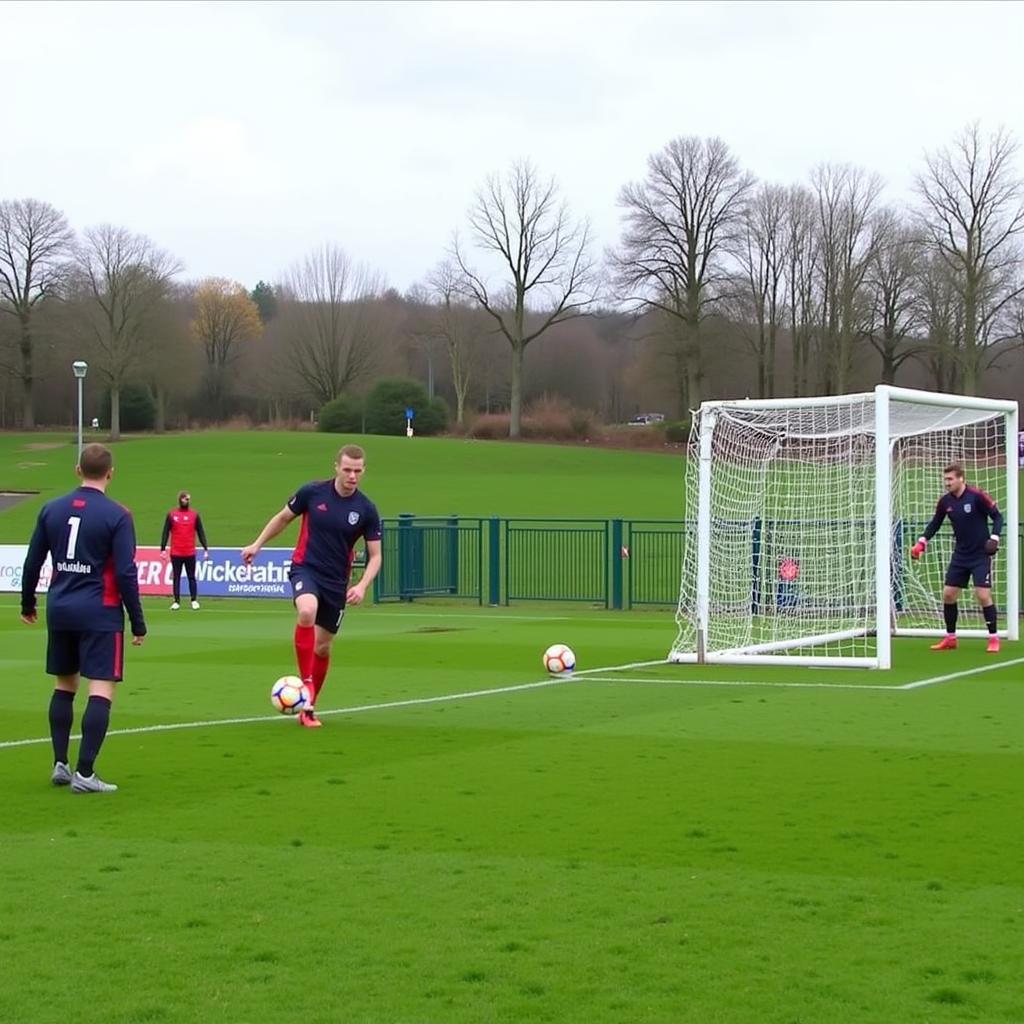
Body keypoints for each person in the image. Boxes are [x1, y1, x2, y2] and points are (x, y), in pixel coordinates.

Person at [20, 443, 147, 793]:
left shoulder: (51, 509)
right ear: (111, 473)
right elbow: (125, 572)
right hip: (100, 611)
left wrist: (27, 603)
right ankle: (86, 774)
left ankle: (60, 763)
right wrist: (137, 621)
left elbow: (33, 563)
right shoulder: (118, 515)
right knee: (101, 688)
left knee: (64, 685)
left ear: (78, 470)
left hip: (60, 608)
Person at [241, 444, 382, 728]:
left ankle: (309, 707)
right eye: (347, 469)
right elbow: (282, 518)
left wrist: (363, 585)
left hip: (336, 582)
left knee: (323, 648)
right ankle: (305, 683)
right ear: (336, 468)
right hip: (306, 568)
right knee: (306, 611)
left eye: (357, 470)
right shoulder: (312, 492)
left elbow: (377, 555)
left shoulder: (366, 509)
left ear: (363, 470)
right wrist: (257, 544)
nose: (352, 475)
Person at [910, 462, 1003, 654]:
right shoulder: (945, 502)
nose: (947, 483)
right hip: (961, 555)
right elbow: (935, 523)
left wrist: (994, 538)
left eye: (950, 479)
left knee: (983, 595)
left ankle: (993, 638)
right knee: (948, 594)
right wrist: (922, 542)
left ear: (961, 478)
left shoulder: (977, 496)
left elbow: (997, 517)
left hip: (980, 555)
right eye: (945, 479)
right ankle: (950, 638)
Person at [160, 490, 210, 610]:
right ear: (180, 499)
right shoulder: (172, 515)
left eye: (188, 499)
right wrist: (162, 549)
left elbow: (200, 532)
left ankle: (194, 600)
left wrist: (205, 548)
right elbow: (165, 532)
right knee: (176, 577)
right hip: (176, 552)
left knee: (191, 576)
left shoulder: (194, 515)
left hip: (190, 552)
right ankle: (176, 601)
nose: (187, 501)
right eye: (185, 499)